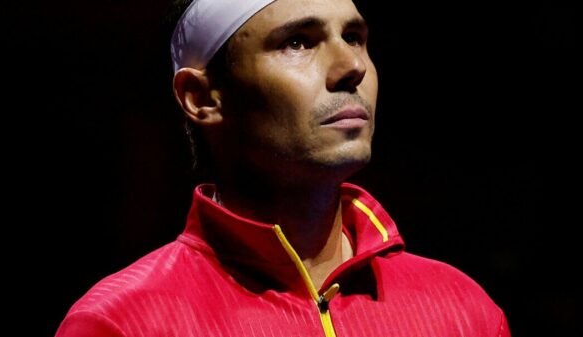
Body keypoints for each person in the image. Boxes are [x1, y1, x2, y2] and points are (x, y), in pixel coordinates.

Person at [55, 0, 511, 336]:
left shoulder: (465, 311)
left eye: (353, 37)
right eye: (297, 42)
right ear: (202, 98)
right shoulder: (121, 323)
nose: (351, 66)